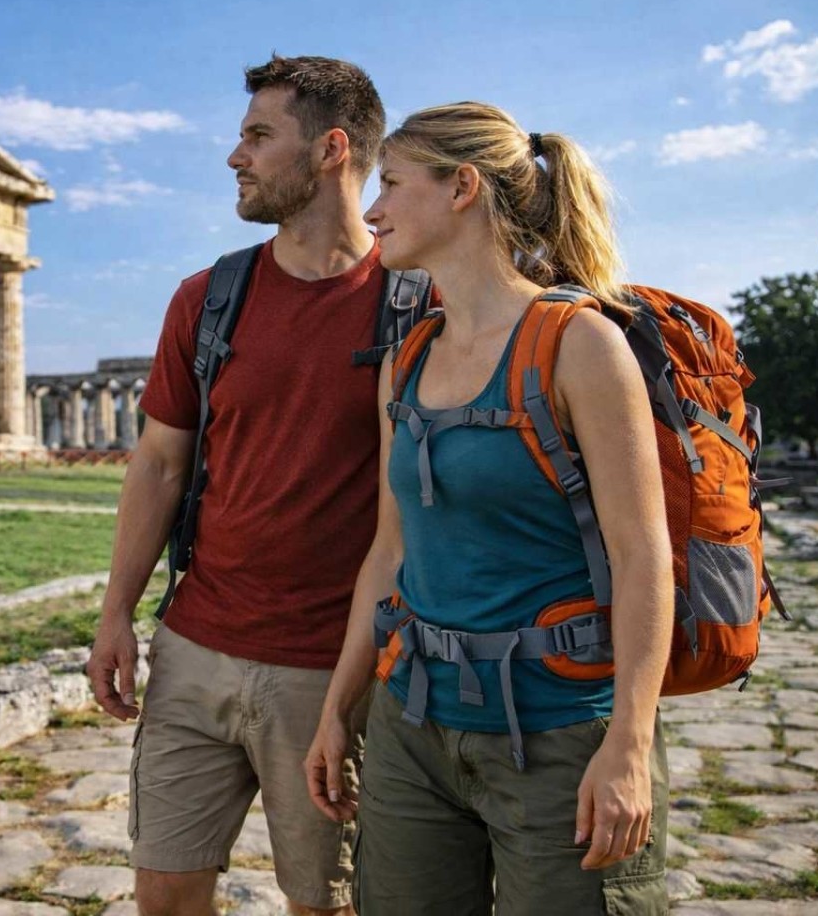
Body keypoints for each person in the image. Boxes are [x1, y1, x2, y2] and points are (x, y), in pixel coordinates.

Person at [304, 102, 673, 914]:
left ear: (462, 187)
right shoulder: (403, 360)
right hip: (414, 727)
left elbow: (645, 557)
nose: (371, 211)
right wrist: (341, 707)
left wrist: (630, 745)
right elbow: (388, 553)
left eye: (392, 185)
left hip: (562, 733)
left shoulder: (581, 345)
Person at [87, 55, 395, 916]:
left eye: (259, 136)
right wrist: (117, 612)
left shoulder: (413, 304)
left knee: (324, 904)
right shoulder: (208, 297)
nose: (236, 156)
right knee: (165, 897)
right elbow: (158, 464)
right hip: (193, 651)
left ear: (332, 149)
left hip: (332, 671)